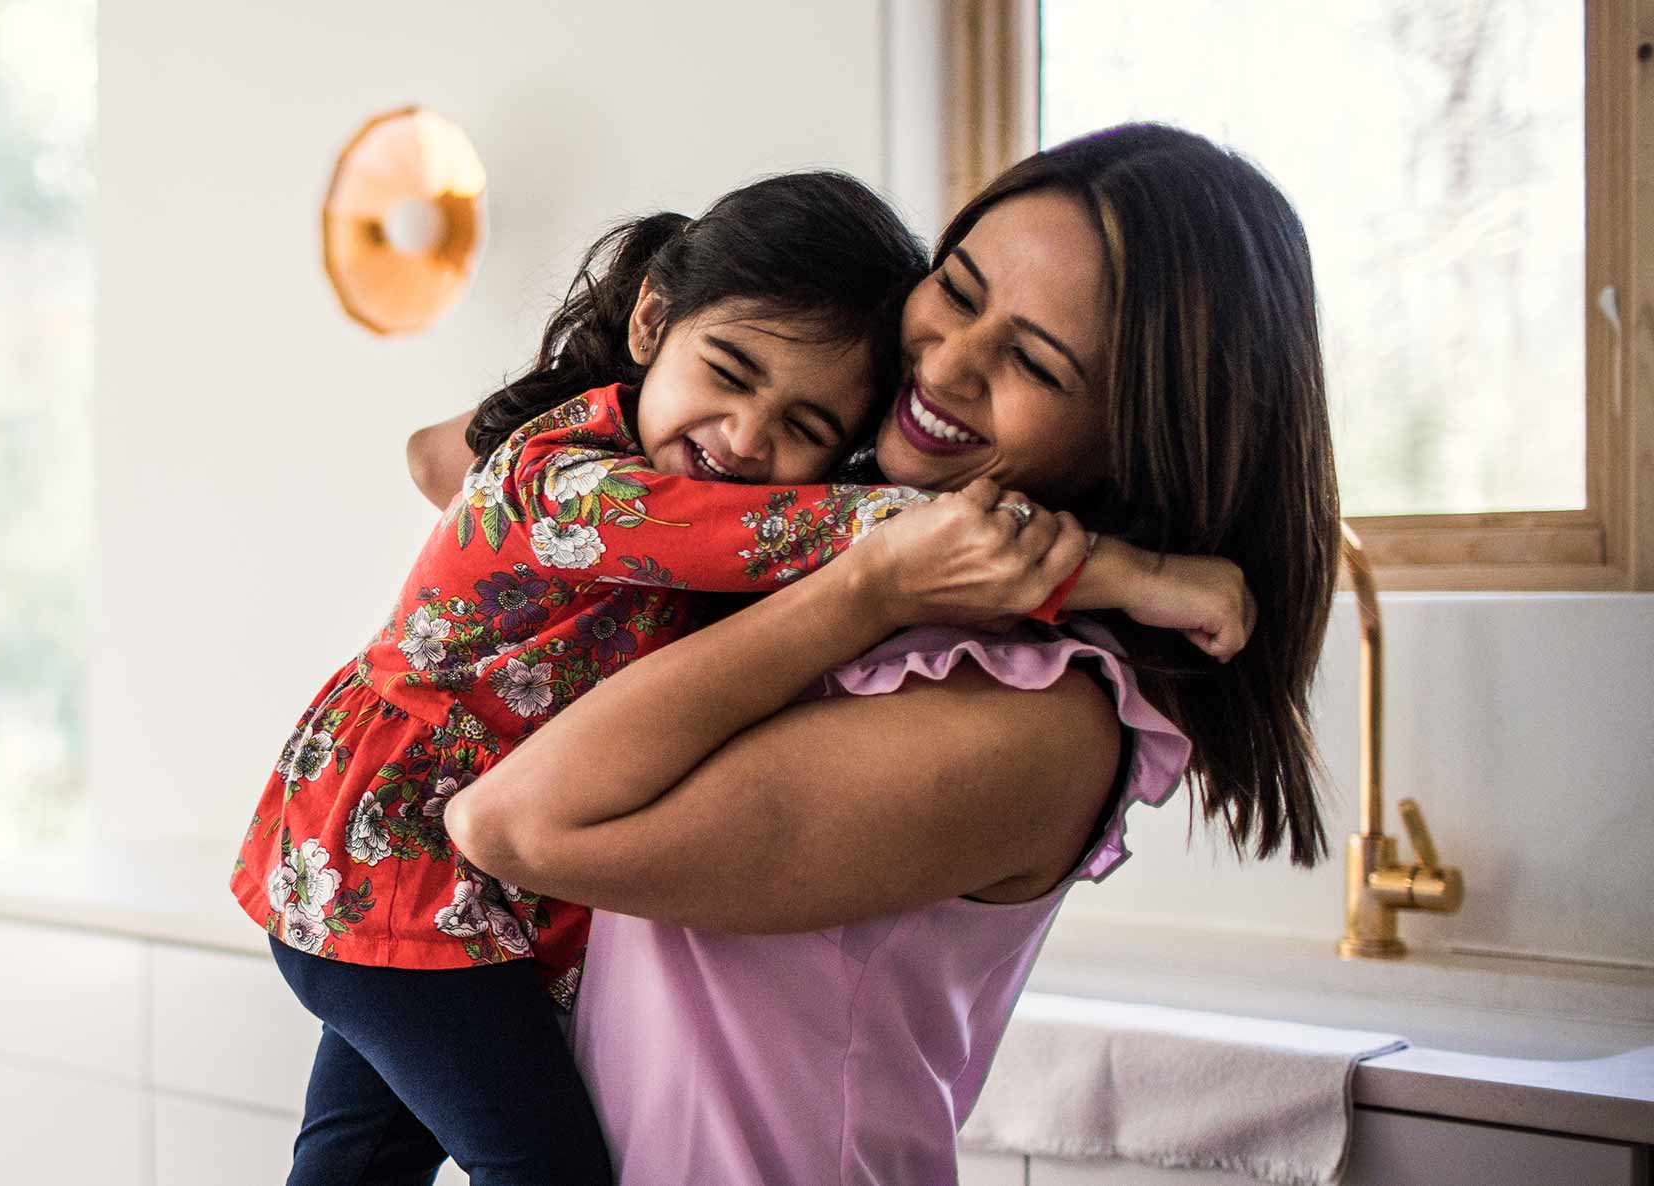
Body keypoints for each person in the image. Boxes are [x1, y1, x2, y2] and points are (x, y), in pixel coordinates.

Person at [233, 169, 1250, 1186]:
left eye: (1033, 356)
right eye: (960, 289)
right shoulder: (601, 484)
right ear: (652, 321)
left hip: (412, 872)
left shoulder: (1024, 709)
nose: (752, 438)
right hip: (391, 855)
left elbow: (813, 531)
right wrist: (1135, 571)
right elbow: (789, 530)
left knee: (363, 1159)